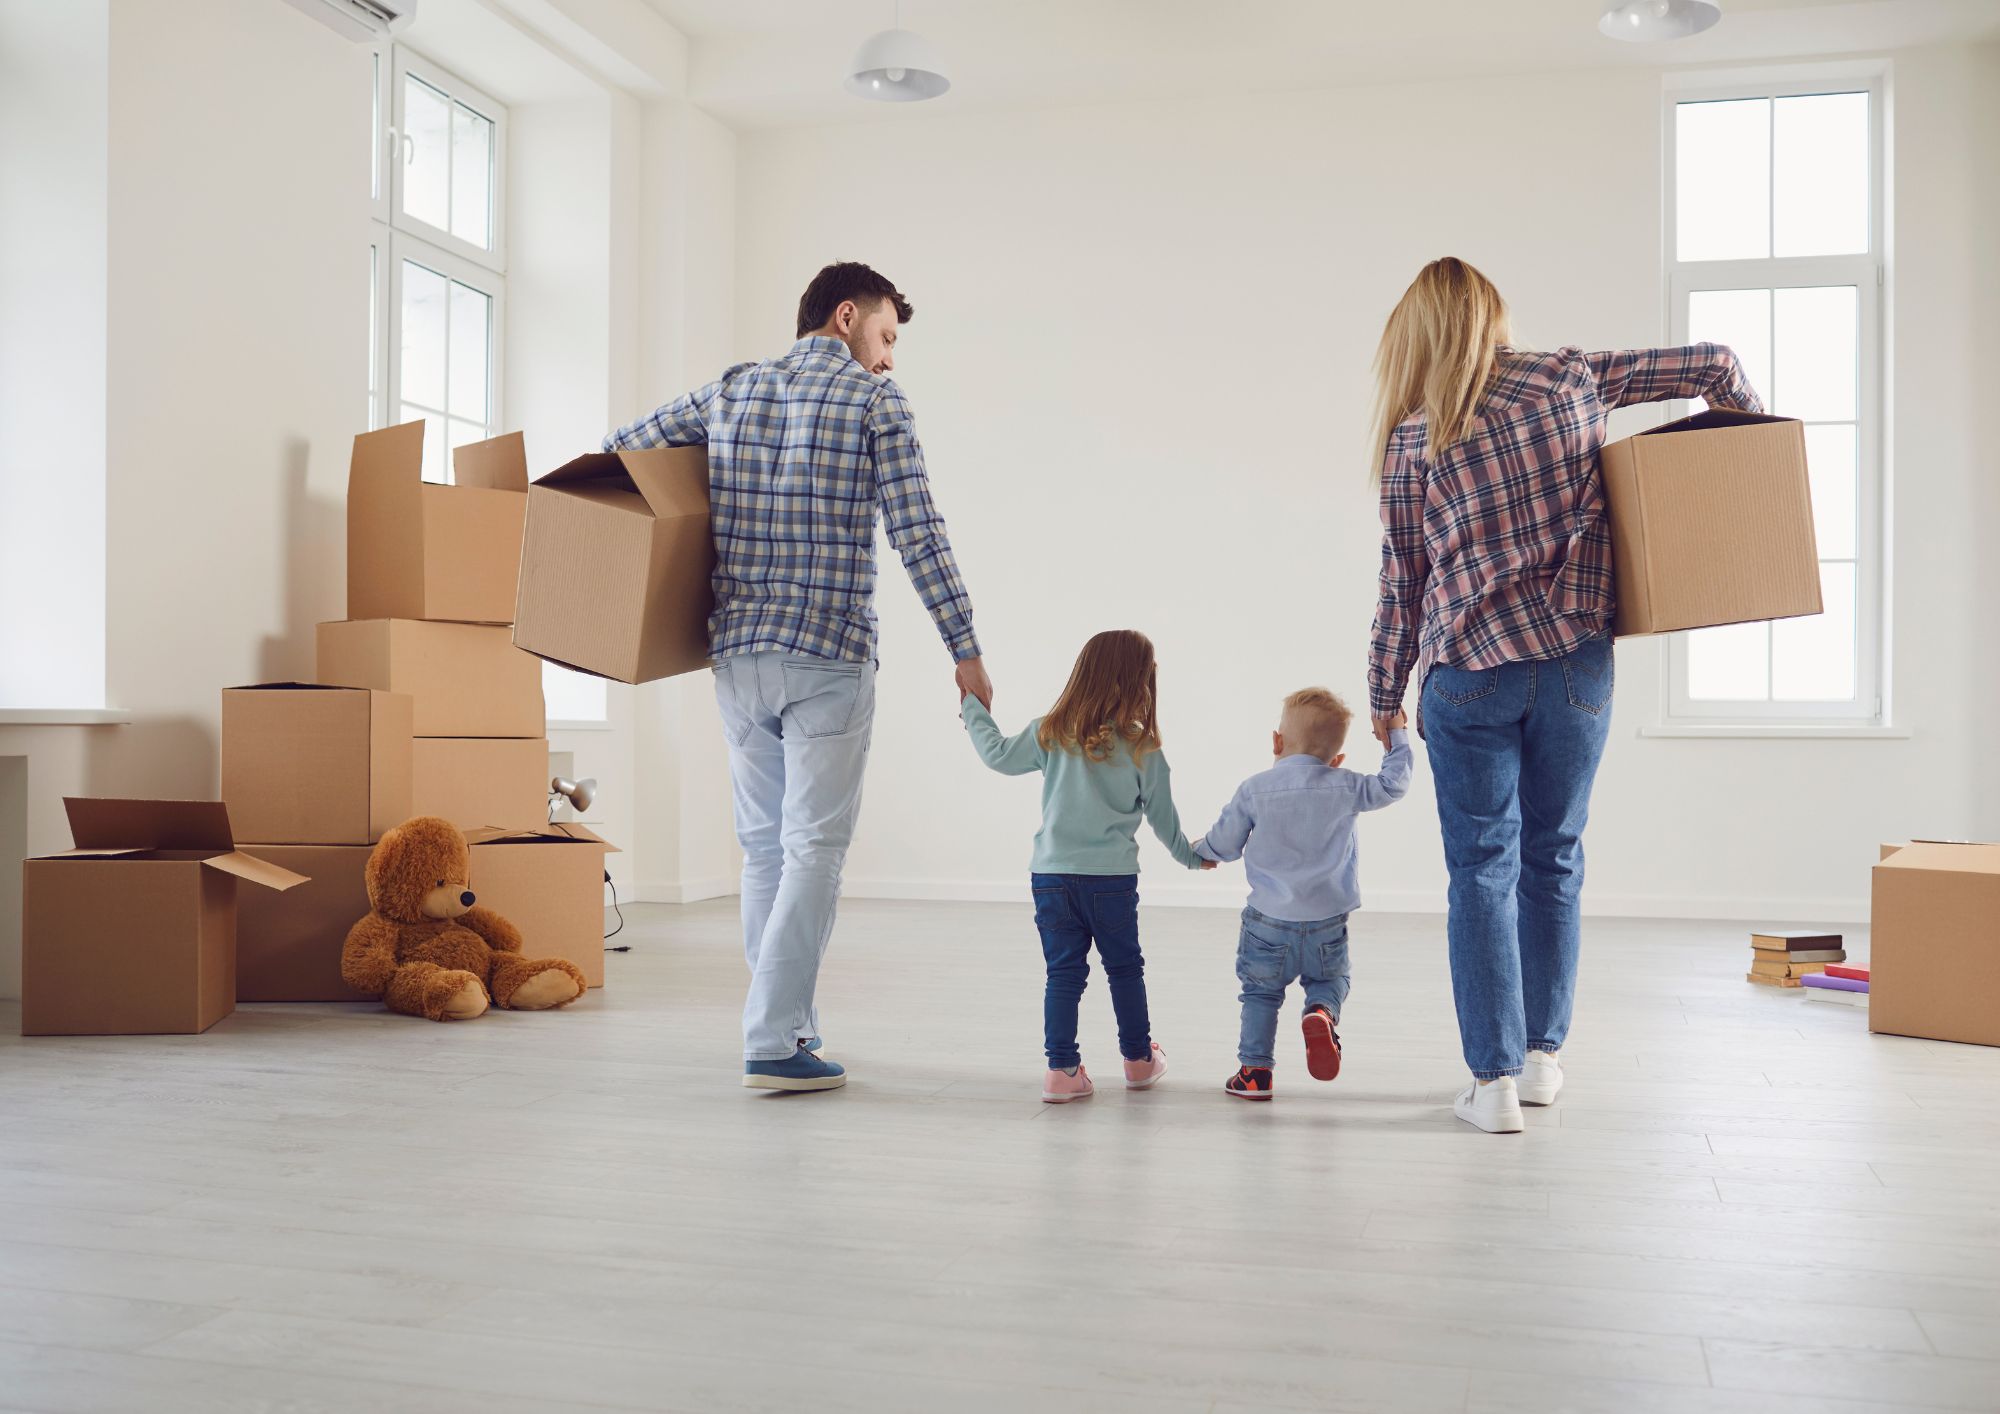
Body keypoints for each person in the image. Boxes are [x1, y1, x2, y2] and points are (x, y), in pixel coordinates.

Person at [1365, 257, 1763, 1133]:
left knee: (1481, 872)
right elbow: (1714, 364)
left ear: (1420, 334)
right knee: (1555, 859)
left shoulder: (1412, 438)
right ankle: (1543, 1060)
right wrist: (1746, 466)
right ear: (1495, 318)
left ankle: (1494, 1083)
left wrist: (1383, 691)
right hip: (1578, 667)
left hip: (1468, 675)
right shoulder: (1573, 377)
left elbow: (1404, 581)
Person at [605, 261, 993, 1093]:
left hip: (738, 655)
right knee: (813, 848)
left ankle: (789, 1024)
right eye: (886, 336)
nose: (889, 358)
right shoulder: (874, 402)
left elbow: (621, 451)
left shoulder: (730, 392)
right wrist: (964, 646)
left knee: (762, 852)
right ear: (846, 317)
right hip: (827, 655)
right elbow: (918, 532)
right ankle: (774, 1038)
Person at [959, 629, 1213, 1103]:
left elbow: (995, 755)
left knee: (1063, 973)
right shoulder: (1143, 748)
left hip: (1051, 877)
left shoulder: (1049, 731)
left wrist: (972, 705)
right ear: (1141, 682)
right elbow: (1165, 823)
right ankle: (1139, 1062)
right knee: (1124, 969)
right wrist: (1193, 858)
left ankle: (1061, 1072)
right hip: (1112, 882)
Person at [1192, 687, 1413, 1100]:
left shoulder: (1255, 789)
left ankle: (1255, 1073)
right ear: (1338, 759)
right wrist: (1396, 736)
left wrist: (1198, 852)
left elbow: (1224, 843)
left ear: (1276, 742)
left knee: (1260, 994)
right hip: (1328, 921)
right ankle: (1321, 1012)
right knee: (1330, 979)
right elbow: (1393, 785)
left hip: (1267, 923)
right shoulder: (1345, 785)